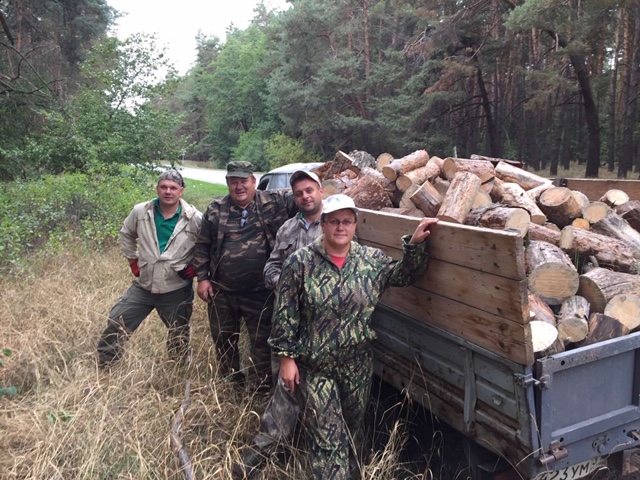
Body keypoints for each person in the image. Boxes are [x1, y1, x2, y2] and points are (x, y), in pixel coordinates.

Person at [269, 194, 438, 480]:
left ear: (355, 224)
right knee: (327, 439)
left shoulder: (369, 260)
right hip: (315, 366)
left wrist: (417, 243)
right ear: (322, 224)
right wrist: (287, 358)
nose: (340, 227)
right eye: (333, 221)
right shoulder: (300, 262)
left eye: (347, 221)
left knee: (352, 429)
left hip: (356, 364)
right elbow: (286, 313)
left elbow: (403, 275)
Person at [234, 169, 325, 478]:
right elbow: (271, 266)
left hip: (322, 328)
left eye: (309, 190)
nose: (305, 197)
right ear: (294, 197)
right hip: (286, 324)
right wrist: (284, 283)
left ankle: (311, 451)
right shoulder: (287, 228)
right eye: (299, 193)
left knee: (319, 393)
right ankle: (273, 452)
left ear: (320, 191)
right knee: (283, 387)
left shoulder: (337, 225)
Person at [193, 161, 297, 386]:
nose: (239, 186)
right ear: (228, 183)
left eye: (243, 181)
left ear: (254, 182)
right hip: (222, 290)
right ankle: (231, 382)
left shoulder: (276, 202)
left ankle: (260, 385)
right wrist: (202, 278)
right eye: (233, 182)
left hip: (260, 292)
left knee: (261, 340)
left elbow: (307, 199)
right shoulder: (216, 208)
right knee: (223, 339)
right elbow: (202, 245)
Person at [97, 169, 202, 367]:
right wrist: (132, 260)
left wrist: (196, 267)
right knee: (117, 320)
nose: (168, 191)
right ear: (157, 188)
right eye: (163, 187)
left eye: (173, 188)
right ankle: (106, 365)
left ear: (181, 190)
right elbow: (126, 233)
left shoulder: (194, 218)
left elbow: (207, 246)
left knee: (179, 332)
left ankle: (177, 370)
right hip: (144, 286)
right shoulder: (141, 211)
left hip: (176, 288)